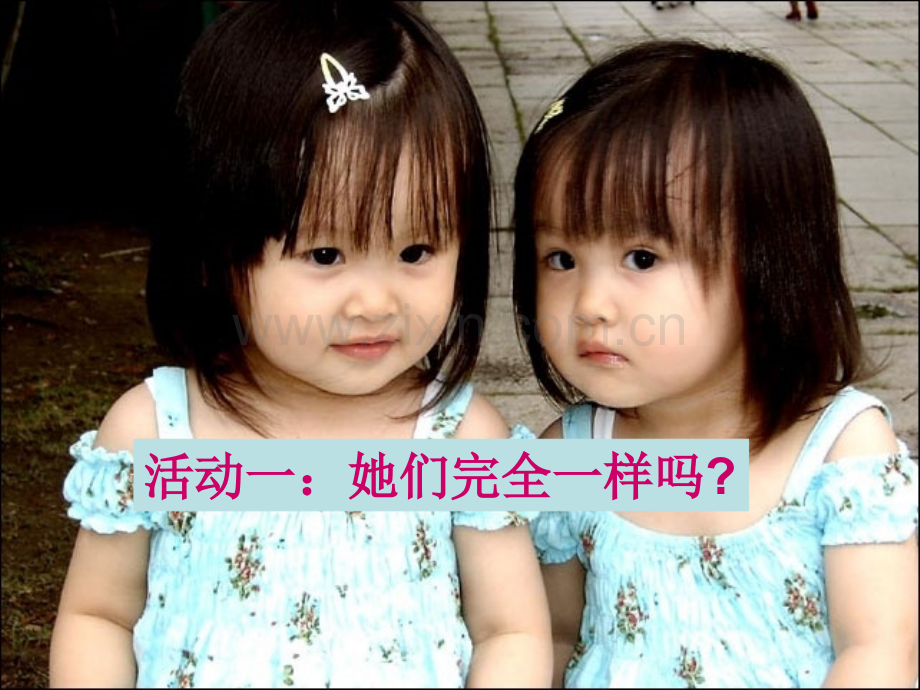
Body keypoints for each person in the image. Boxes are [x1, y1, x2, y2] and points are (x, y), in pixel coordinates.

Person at [49, 2, 552, 687]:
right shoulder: (158, 434)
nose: (374, 303)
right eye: (324, 254)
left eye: (415, 251)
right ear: (218, 248)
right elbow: (100, 615)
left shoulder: (461, 442)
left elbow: (510, 631)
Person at [513, 39, 918, 687]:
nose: (589, 304)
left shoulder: (839, 454)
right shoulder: (576, 454)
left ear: (768, 260)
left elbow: (878, 654)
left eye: (642, 258)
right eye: (561, 258)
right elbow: (554, 637)